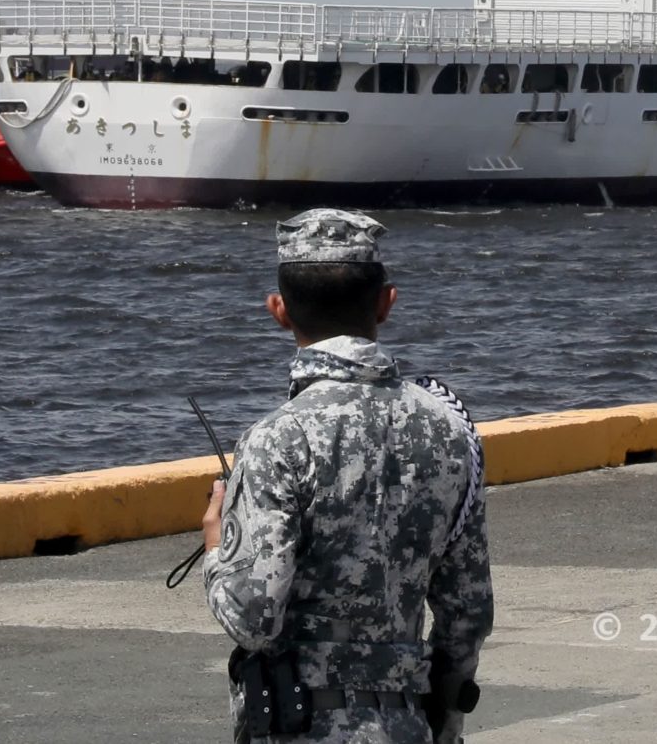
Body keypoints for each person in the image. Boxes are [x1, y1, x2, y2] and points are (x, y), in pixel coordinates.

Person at [202, 210, 494, 743]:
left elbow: (253, 619)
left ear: (279, 311)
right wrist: (443, 725)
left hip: (300, 726)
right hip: (406, 724)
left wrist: (217, 550)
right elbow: (468, 614)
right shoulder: (451, 432)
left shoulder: (277, 439)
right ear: (386, 303)